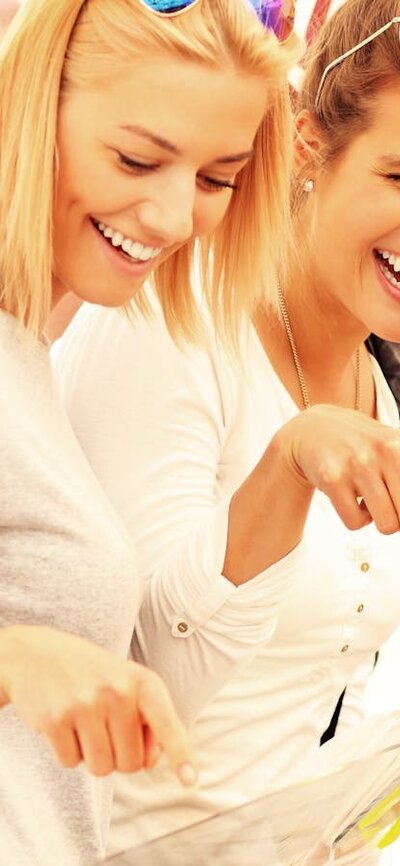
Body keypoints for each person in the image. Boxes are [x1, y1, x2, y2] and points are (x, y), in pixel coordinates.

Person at [53, 0, 400, 860]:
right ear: (312, 142)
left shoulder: (381, 384)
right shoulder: (164, 315)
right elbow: (146, 680)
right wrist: (285, 469)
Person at [0, 0, 298, 864]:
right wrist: (15, 659)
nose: (173, 220)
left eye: (216, 180)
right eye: (137, 158)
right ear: (32, 102)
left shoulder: (32, 358)